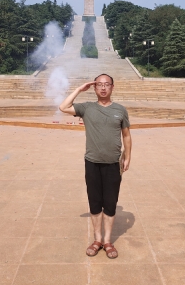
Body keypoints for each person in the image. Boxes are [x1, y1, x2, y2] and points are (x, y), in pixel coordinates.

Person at [59, 73, 132, 259]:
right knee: (95, 202)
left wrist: (128, 157)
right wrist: (79, 89)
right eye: (99, 84)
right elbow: (63, 107)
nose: (103, 87)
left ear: (112, 87)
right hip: (92, 163)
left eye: (107, 84)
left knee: (110, 203)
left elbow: (126, 135)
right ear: (94, 87)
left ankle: (107, 241)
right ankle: (97, 239)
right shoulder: (87, 108)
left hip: (113, 164)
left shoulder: (120, 110)